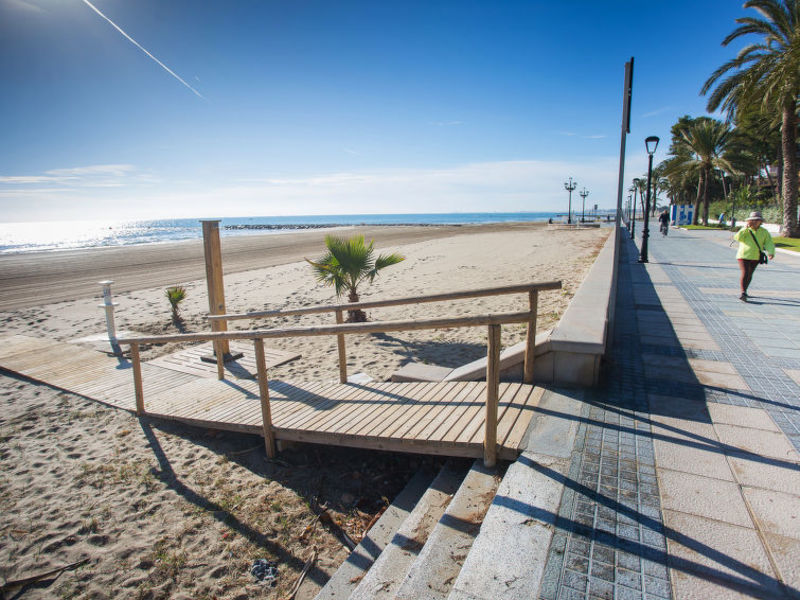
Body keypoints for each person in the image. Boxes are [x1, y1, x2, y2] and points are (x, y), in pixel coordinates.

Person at [733, 211, 775, 301]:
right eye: (753, 220)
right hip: (743, 255)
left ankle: (745, 290)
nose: (755, 222)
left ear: (761, 221)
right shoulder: (745, 230)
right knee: (745, 272)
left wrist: (771, 252)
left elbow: (768, 242)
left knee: (750, 273)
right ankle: (743, 292)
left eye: (757, 220)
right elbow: (737, 238)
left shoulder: (764, 232)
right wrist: (745, 228)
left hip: (755, 256)